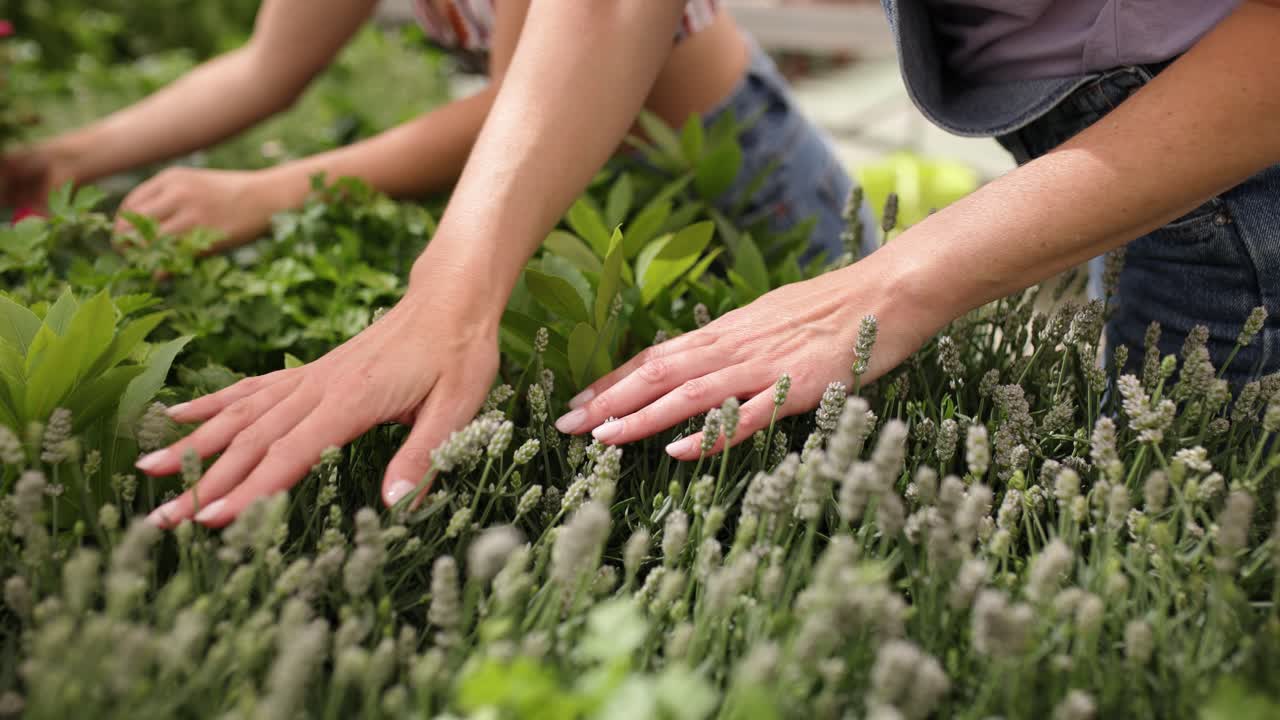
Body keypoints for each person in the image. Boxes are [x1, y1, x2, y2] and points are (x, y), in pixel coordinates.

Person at [140, 0, 1280, 529]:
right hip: (1105, 160)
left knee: (1174, 539)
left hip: (1232, 150)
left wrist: (900, 274)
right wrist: (442, 302)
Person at [1, 0, 862, 258]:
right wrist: (55, 161)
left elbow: (521, 110)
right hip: (594, 187)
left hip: (736, 162)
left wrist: (265, 190)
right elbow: (267, 65)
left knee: (875, 384)